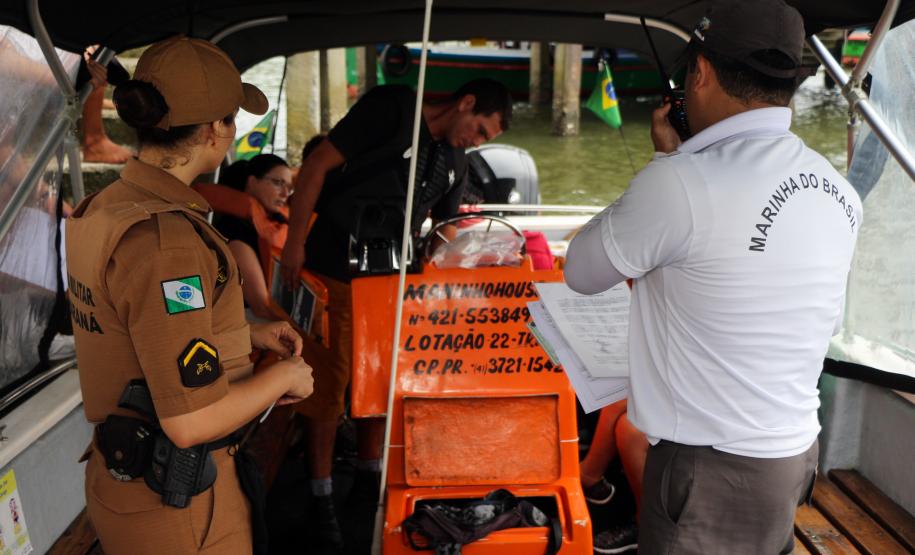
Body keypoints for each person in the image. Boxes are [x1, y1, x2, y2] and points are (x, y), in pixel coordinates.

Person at [564, 1, 862, 553]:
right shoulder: (838, 190)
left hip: (708, 467)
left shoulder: (678, 183)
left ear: (698, 74)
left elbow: (580, 271)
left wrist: (663, 164)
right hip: (794, 454)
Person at [65, 36, 313, 554]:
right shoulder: (166, 243)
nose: (233, 128)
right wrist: (282, 377)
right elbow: (189, 421)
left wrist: (247, 331)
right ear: (211, 131)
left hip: (128, 481)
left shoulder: (109, 204)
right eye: (231, 117)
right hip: (178, 504)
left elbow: (143, 327)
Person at [279, 79, 512, 550]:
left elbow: (443, 235)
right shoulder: (391, 110)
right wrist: (294, 243)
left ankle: (369, 480)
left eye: (486, 139)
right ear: (465, 102)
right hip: (334, 267)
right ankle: (320, 495)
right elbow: (317, 167)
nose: (477, 141)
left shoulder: (456, 162)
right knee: (329, 382)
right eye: (480, 129)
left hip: (393, 280)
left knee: (381, 383)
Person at [211, 154, 293, 321]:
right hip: (244, 325)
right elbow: (261, 307)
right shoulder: (235, 232)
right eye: (278, 183)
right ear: (252, 182)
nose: (285, 193)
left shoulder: (268, 226)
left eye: (289, 187)